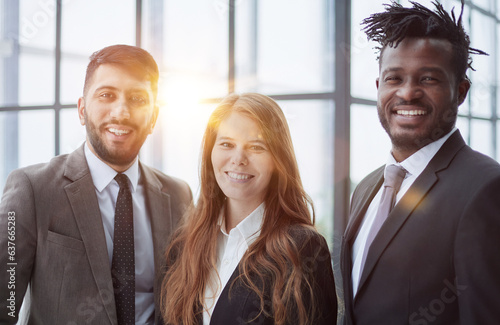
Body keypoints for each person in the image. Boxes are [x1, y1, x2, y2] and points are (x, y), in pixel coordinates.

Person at [0, 44, 192, 324]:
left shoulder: (179, 195)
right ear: (82, 109)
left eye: (138, 99)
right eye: (107, 95)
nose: (121, 112)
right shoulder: (32, 189)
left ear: (153, 117)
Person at [339, 1, 500, 324]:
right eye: (394, 78)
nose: (408, 93)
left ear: (461, 92)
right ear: (378, 88)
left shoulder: (486, 189)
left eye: (428, 79)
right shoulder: (367, 188)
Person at [160, 93, 337, 325]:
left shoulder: (302, 248)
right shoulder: (184, 245)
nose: (238, 159)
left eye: (255, 146)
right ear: (210, 154)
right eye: (227, 144)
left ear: (277, 159)